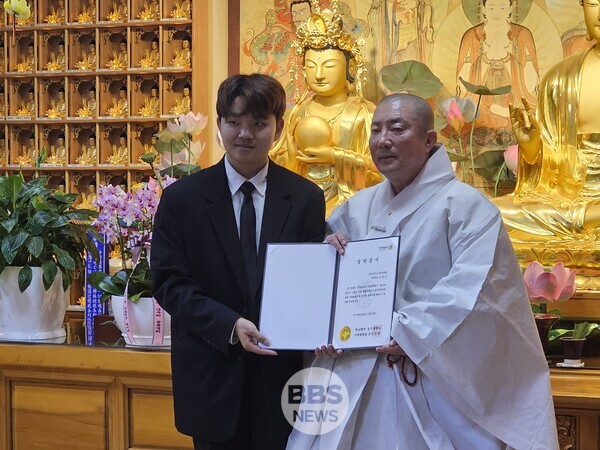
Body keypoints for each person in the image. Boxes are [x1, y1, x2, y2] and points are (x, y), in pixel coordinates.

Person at [286, 93, 558, 450]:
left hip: (428, 369)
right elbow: (329, 279)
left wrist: (409, 330)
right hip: (352, 369)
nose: (383, 140)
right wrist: (324, 316)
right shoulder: (356, 207)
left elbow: (477, 291)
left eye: (397, 128)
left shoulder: (466, 207)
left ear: (430, 140)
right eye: (376, 130)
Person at [151, 74, 326, 450]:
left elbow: (311, 280)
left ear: (278, 129)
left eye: (259, 124)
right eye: (234, 122)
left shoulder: (306, 197)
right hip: (212, 372)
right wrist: (230, 324)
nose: (245, 133)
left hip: (281, 376)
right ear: (219, 126)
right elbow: (169, 283)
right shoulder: (182, 200)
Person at [492, 0, 600, 244]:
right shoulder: (560, 79)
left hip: (573, 213)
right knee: (493, 214)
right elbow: (551, 177)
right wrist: (533, 148)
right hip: (569, 201)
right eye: (593, 3)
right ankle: (589, 220)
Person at [270, 6, 380, 216]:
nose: (319, 74)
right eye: (311, 66)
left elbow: (379, 170)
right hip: (300, 204)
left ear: (351, 67)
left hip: (350, 205)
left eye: (328, 65)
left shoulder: (365, 113)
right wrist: (292, 157)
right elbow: (280, 164)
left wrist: (335, 156)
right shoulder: (296, 114)